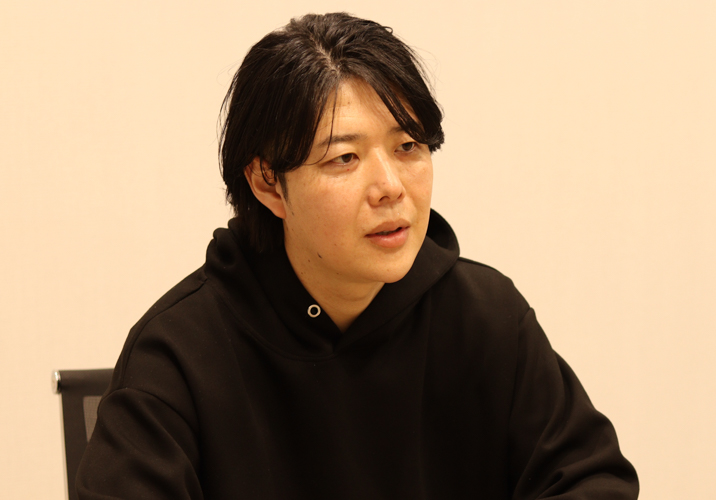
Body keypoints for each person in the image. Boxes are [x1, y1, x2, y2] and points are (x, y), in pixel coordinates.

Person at [77, 12, 638, 499]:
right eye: (344, 158)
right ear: (268, 183)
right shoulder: (178, 355)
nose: (390, 187)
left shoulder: (485, 316)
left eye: (409, 146)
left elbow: (591, 480)